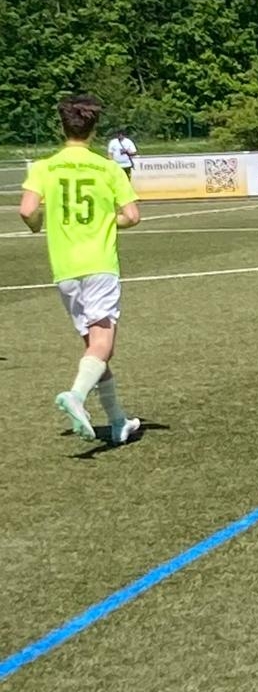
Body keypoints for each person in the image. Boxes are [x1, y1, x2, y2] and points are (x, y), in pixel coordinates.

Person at [18, 96, 144, 446]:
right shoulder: (108, 169)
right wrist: (107, 220)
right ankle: (76, 396)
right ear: (93, 129)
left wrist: (38, 223)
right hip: (99, 263)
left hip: (65, 267)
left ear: (62, 127)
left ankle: (117, 421)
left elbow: (27, 211)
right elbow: (132, 216)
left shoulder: (44, 167)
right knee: (103, 345)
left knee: (96, 348)